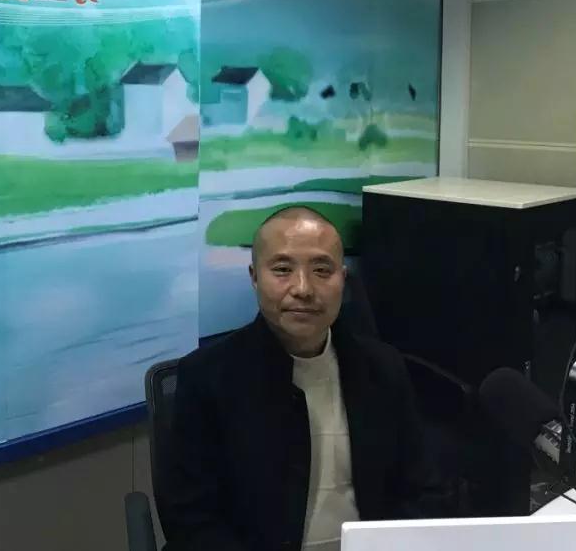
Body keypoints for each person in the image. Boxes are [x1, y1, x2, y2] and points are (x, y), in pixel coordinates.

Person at [161, 206, 446, 551]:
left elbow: (424, 491)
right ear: (254, 277)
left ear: (343, 278)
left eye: (322, 270)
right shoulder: (208, 378)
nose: (303, 288)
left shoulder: (382, 368)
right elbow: (191, 520)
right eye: (282, 269)